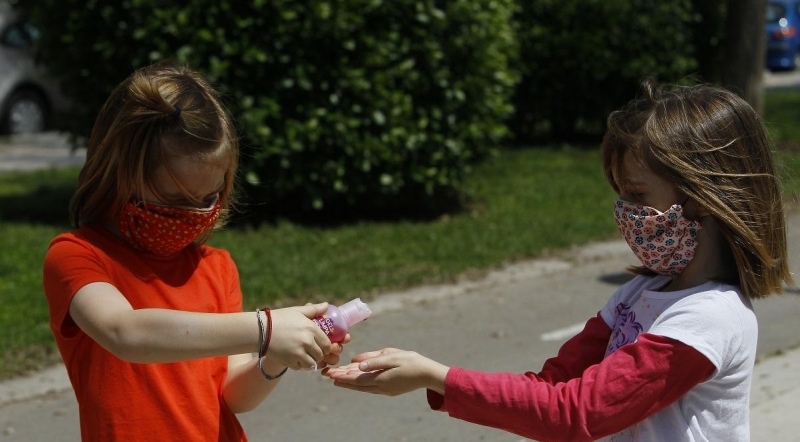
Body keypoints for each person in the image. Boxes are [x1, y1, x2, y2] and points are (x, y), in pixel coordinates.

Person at [325, 79, 794, 441]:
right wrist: (435, 381)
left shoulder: (708, 320)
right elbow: (551, 386)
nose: (624, 212)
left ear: (704, 197)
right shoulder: (639, 294)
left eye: (636, 194)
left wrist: (437, 376)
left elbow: (578, 413)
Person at [42, 63, 348, 442]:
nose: (197, 213)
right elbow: (125, 332)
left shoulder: (217, 267)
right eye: (176, 199)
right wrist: (267, 328)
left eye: (210, 198)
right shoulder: (77, 256)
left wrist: (276, 356)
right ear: (122, 173)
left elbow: (233, 396)